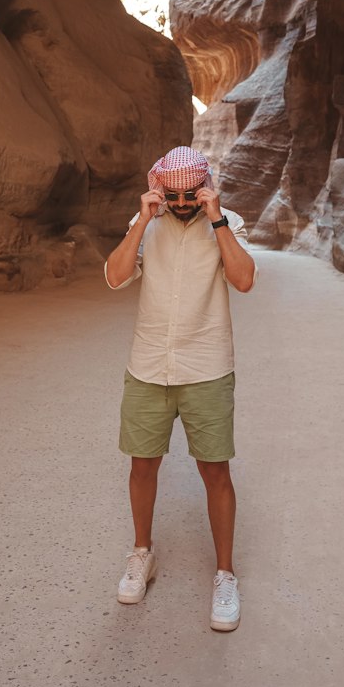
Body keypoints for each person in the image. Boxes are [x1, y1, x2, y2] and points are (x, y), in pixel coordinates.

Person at [104, 145, 256, 632]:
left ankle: (225, 575)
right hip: (149, 365)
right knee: (142, 464)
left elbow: (244, 280)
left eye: (191, 194)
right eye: (174, 195)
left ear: (205, 187)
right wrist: (142, 221)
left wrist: (217, 220)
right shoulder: (146, 222)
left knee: (216, 472)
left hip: (206, 366)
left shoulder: (225, 220)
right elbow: (114, 277)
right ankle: (142, 554)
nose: (183, 202)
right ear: (159, 190)